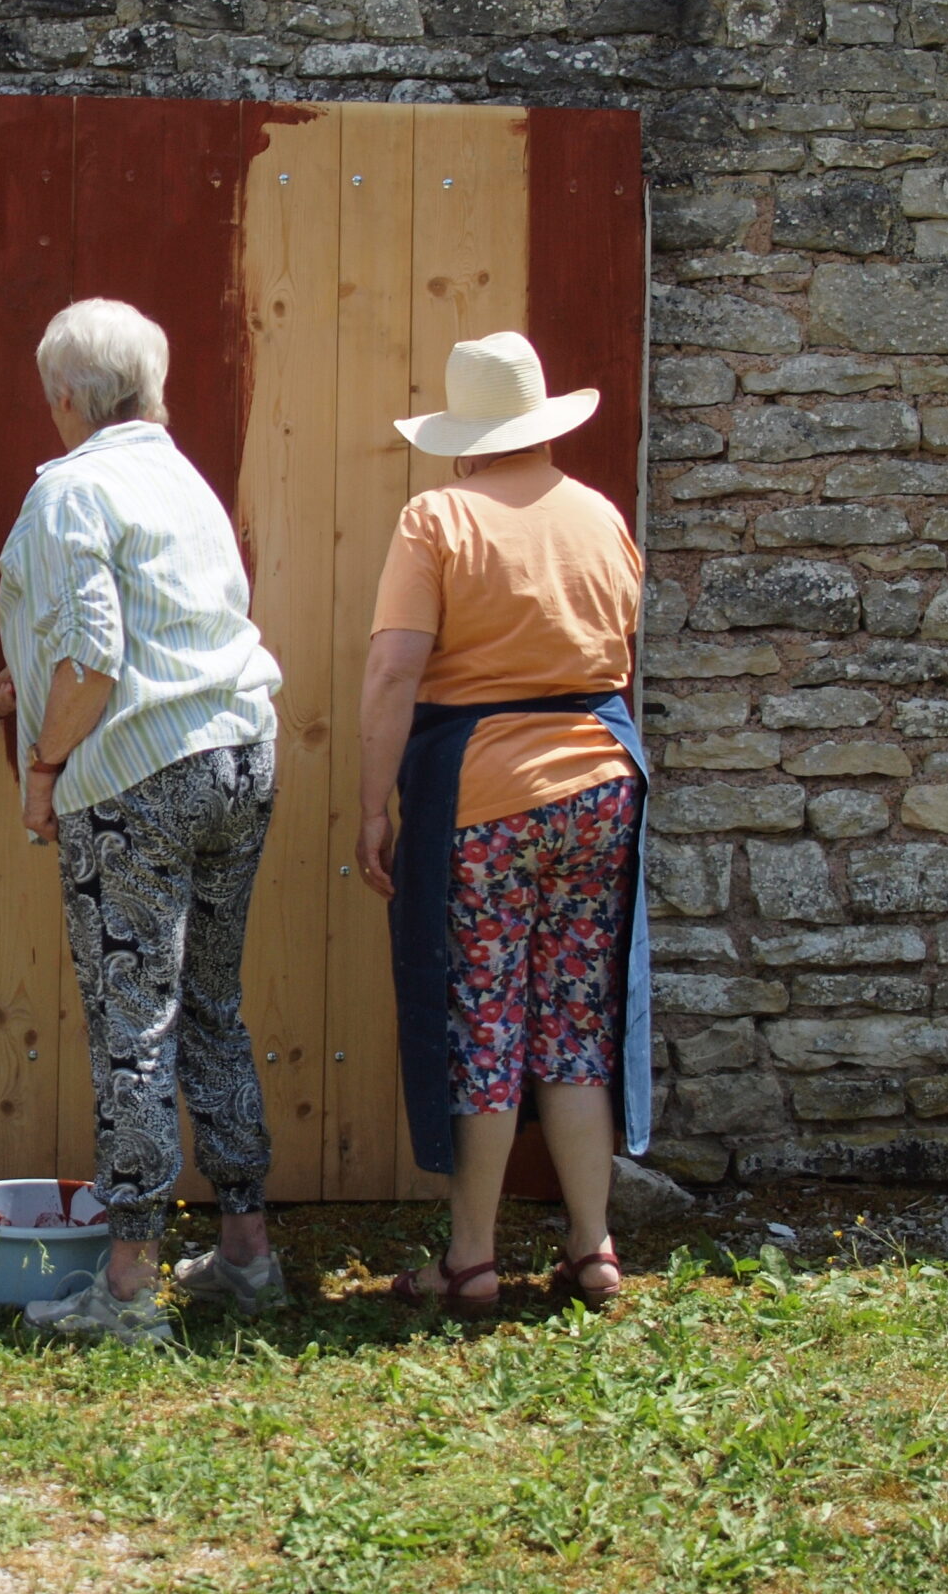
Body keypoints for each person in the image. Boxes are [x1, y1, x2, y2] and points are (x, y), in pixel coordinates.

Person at [0, 297, 286, 1347]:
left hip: (136, 780)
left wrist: (45, 761)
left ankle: (126, 1286)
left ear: (66, 396)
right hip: (239, 757)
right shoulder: (182, 480)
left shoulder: (71, 491)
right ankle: (246, 1255)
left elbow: (91, 657)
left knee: (133, 1028)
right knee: (209, 1004)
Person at [357, 330, 649, 1318]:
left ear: (465, 435)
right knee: (573, 1020)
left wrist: (370, 804)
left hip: (484, 801)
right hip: (602, 789)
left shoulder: (437, 516)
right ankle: (591, 1245)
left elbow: (395, 668)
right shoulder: (600, 517)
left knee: (485, 1020)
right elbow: (611, 656)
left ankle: (471, 1260)